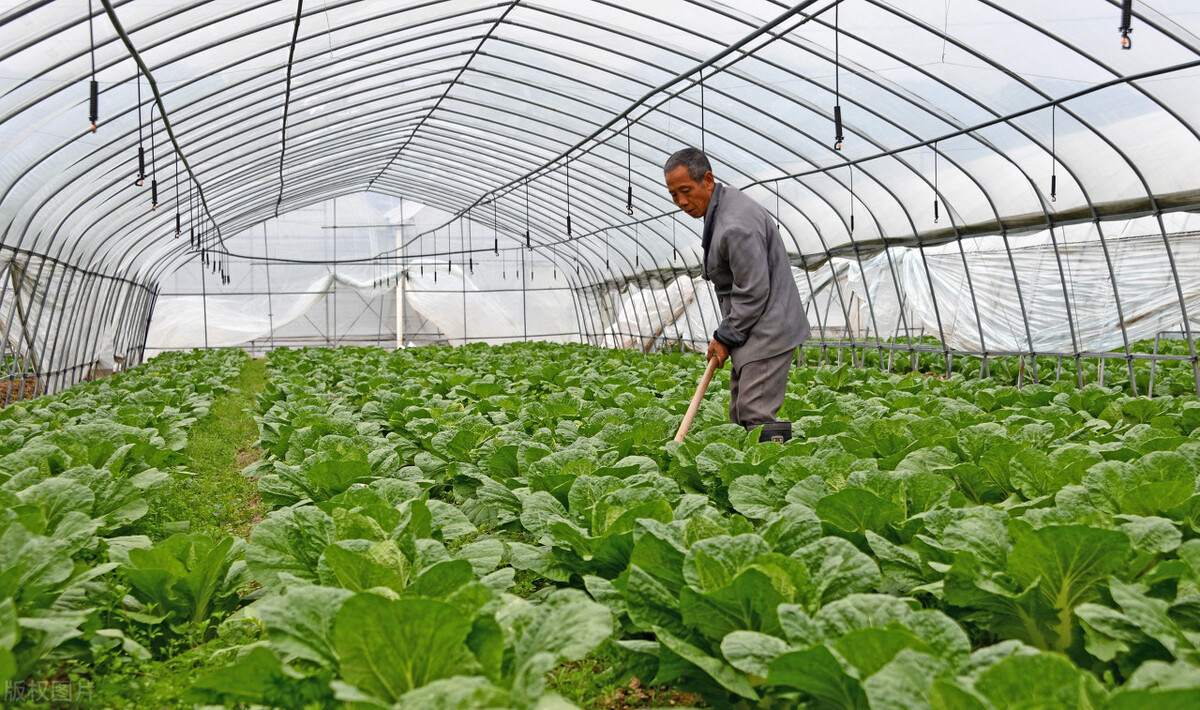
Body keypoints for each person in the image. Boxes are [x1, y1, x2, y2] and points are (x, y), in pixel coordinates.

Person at [663, 147, 809, 433]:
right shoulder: (720, 211)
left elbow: (753, 290)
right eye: (674, 195)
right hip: (751, 328)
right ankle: (750, 472)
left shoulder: (736, 224)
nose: (681, 201)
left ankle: (778, 471)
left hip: (768, 328)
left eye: (685, 190)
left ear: (707, 179)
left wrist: (724, 336)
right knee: (739, 413)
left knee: (755, 413)